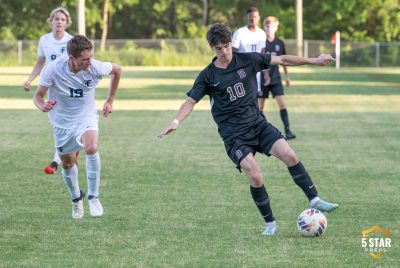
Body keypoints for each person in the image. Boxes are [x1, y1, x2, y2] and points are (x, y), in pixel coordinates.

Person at [158, 23, 338, 235]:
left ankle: (314, 199)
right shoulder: (208, 76)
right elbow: (190, 102)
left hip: (258, 125)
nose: (224, 52)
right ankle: (270, 225)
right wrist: (176, 121)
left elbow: (281, 60)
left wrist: (314, 60)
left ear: (231, 43)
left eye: (226, 46)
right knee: (255, 176)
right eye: (219, 48)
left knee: (290, 155)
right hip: (234, 136)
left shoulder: (247, 59)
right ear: (212, 48)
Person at [33, 35, 122, 219]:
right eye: (85, 59)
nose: (90, 62)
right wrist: (42, 105)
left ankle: (94, 197)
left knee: (91, 147)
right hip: (62, 123)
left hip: (86, 117)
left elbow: (117, 70)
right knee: (67, 163)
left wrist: (110, 100)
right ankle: (76, 199)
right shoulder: (53, 70)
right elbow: (38, 96)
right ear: (71, 58)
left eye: (91, 57)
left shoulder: (95, 66)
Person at [23, 7, 74, 175]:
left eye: (62, 19)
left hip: (68, 88)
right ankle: (62, 158)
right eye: (56, 18)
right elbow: (40, 62)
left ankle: (55, 161)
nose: (59, 21)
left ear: (67, 23)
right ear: (51, 21)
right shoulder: (44, 40)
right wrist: (30, 80)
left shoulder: (71, 41)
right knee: (58, 124)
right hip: (51, 87)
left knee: (67, 124)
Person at [259, 16, 295, 139]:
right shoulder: (261, 42)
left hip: (276, 79)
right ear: (264, 27)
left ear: (276, 27)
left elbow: (284, 60)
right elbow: (259, 61)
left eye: (272, 26)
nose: (269, 28)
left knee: (282, 104)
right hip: (263, 80)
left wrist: (287, 76)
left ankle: (288, 131)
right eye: (267, 26)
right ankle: (259, 131)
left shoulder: (280, 43)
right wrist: (266, 75)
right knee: (260, 107)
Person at [232, 7, 266, 93]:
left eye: (255, 16)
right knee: (242, 93)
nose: (253, 18)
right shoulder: (240, 32)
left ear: (258, 18)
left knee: (255, 94)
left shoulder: (262, 33)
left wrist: (265, 71)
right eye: (250, 16)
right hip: (242, 68)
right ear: (247, 17)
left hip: (256, 69)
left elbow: (262, 53)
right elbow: (233, 52)